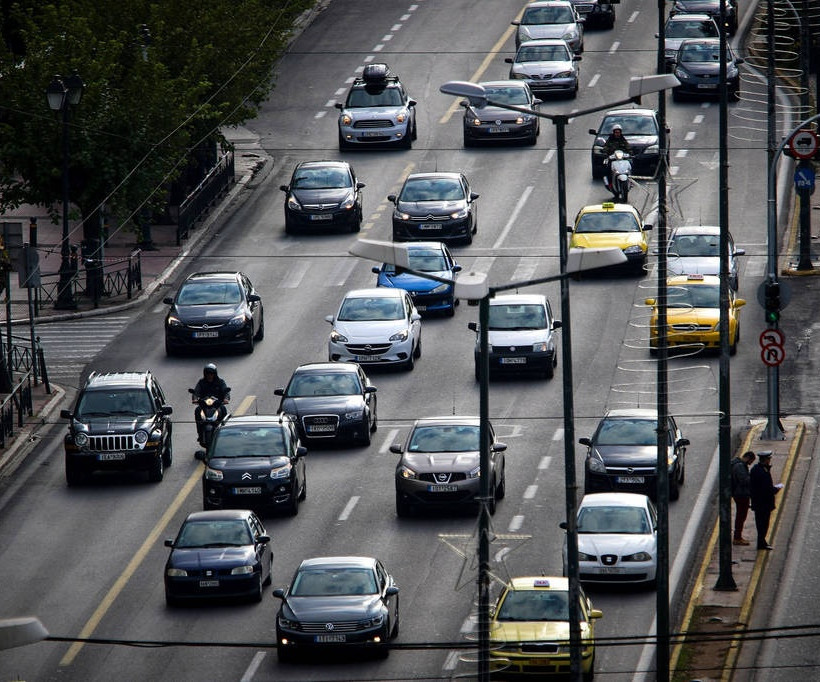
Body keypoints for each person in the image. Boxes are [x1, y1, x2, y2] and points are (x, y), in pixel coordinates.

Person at [749, 450, 782, 550]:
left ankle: (762, 542)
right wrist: (776, 489)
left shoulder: (756, 469)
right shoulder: (762, 472)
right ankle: (761, 543)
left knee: (761, 524)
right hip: (763, 503)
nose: (769, 461)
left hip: (758, 503)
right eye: (769, 459)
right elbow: (766, 489)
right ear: (766, 460)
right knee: (763, 524)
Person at [192, 363, 230, 446]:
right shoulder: (201, 382)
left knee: (223, 409)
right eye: (208, 374)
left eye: (211, 374)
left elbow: (225, 391)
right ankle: (200, 433)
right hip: (204, 405)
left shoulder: (220, 382)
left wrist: (226, 399)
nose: (209, 375)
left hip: (217, 405)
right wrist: (195, 399)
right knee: (197, 410)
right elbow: (196, 392)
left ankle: (224, 432)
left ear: (215, 374)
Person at [730, 451, 755, 545]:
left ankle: (738, 536)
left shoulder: (737, 464)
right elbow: (744, 481)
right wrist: (752, 477)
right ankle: (737, 537)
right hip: (741, 494)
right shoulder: (740, 466)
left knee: (741, 516)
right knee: (741, 516)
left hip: (738, 493)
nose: (750, 463)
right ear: (748, 458)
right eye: (751, 461)